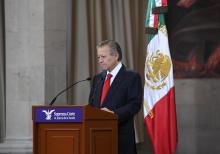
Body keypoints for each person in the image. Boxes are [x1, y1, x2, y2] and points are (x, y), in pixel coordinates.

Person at [89, 40, 143, 154]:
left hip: (121, 137)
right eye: (98, 57)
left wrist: (114, 114)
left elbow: (134, 105)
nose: (100, 60)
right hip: (98, 138)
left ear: (116, 56)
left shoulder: (131, 77)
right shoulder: (98, 78)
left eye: (103, 56)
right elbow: (91, 105)